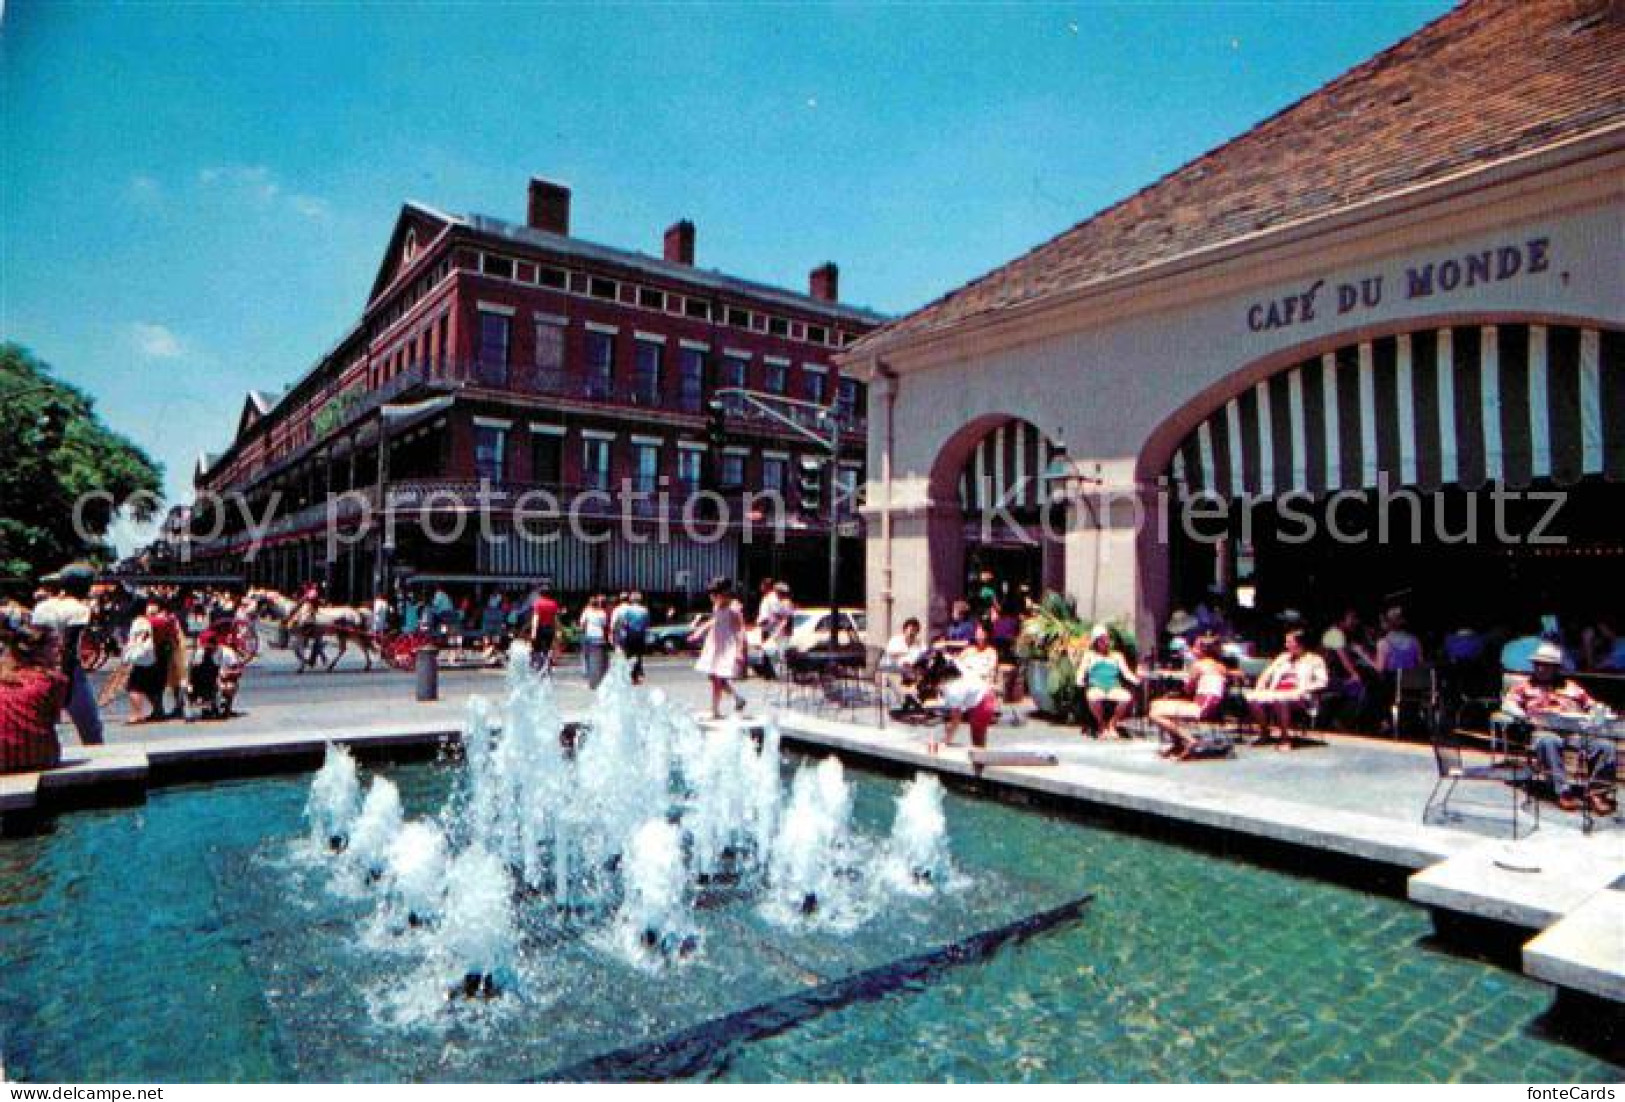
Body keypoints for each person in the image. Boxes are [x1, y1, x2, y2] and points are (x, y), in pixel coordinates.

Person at [1502, 642, 1616, 815]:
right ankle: (1563, 792)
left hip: (1574, 731)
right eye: (1537, 664)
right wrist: (1523, 715)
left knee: (1605, 746)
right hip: (1543, 730)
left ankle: (1597, 793)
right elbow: (1508, 704)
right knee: (1549, 741)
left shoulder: (1571, 687)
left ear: (1555, 668)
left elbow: (1592, 705)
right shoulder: (1524, 686)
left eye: (1546, 665)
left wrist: (1597, 712)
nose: (1540, 668)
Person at [31, 563, 104, 746]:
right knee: (90, 726)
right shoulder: (80, 609)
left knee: (46, 725)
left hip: (40, 667)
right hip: (69, 671)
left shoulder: (42, 607)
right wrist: (66, 681)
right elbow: (70, 646)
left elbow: (35, 639)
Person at [1244, 629, 1330, 750]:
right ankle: (1264, 732)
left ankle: (1285, 739)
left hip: (1300, 694)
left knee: (1282, 700)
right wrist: (1260, 685)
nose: (1286, 645)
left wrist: (1303, 689)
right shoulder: (1283, 657)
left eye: (1289, 642)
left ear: (1300, 643)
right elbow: (1267, 673)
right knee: (1252, 698)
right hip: (1277, 691)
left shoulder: (1315, 659)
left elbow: (1322, 682)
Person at [1148, 635, 1231, 761]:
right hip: (1213, 708)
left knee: (1155, 713)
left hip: (1200, 708)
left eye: (1195, 647)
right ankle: (1177, 744)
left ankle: (1189, 740)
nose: (1192, 650)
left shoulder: (1198, 665)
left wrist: (1179, 689)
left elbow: (1188, 689)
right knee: (1157, 704)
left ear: (1202, 650)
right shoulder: (1221, 667)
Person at [0, 621, 68, 773]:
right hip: (38, 756)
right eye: (54, 646)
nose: (59, 650)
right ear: (38, 651)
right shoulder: (52, 680)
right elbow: (53, 718)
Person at [933, 620, 1000, 752]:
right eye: (978, 632)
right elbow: (957, 663)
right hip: (971, 688)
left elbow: (990, 671)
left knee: (977, 737)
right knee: (977, 739)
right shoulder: (969, 650)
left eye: (982, 632)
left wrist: (945, 741)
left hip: (981, 689)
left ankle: (978, 755)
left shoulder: (991, 652)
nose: (979, 635)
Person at [691, 578, 748, 719]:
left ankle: (715, 710)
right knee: (713, 677)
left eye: (716, 594)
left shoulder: (733, 609)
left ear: (726, 593)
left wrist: (740, 651)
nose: (713, 597)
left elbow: (740, 630)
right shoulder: (717, 606)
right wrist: (700, 630)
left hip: (726, 646)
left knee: (717, 678)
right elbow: (714, 620)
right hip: (714, 644)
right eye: (712, 594)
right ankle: (737, 698)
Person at [1076, 624, 1139, 739]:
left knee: (1126, 698)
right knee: (1094, 697)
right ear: (1096, 642)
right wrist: (1079, 679)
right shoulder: (1089, 655)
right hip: (1096, 685)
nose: (1105, 642)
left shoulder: (1116, 656)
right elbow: (1081, 670)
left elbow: (1126, 672)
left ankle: (1112, 724)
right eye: (1101, 640)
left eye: (1106, 639)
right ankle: (1101, 724)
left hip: (1113, 686)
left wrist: (1135, 679)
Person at [187, 628, 244, 720]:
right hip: (205, 682)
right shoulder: (199, 653)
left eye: (208, 647)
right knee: (188, 687)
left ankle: (225, 708)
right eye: (204, 647)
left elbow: (239, 671)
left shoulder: (227, 653)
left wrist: (227, 673)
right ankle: (206, 706)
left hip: (222, 680)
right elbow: (193, 671)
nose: (206, 649)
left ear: (215, 644)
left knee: (229, 686)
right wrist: (190, 685)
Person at [122, 603, 164, 724]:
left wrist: (127, 656)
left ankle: (137, 714)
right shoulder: (146, 622)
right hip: (150, 657)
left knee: (133, 687)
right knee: (150, 686)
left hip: (139, 658)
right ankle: (158, 711)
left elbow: (136, 640)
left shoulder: (137, 622)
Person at [881, 617, 929, 713]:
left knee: (924, 673)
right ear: (905, 629)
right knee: (907, 671)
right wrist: (905, 654)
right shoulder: (896, 640)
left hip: (912, 670)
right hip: (893, 669)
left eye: (915, 630)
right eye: (911, 629)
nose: (912, 632)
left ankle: (911, 699)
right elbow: (890, 653)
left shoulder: (919, 643)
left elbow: (926, 654)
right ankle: (910, 699)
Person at [756, 581, 793, 679]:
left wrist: (771, 620)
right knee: (770, 651)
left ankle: (780, 674)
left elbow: (784, 616)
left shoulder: (781, 601)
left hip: (776, 630)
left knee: (776, 652)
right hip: (771, 629)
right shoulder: (769, 599)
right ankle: (773, 673)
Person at [611, 591, 651, 684]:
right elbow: (647, 623)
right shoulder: (644, 610)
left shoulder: (627, 610)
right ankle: (636, 676)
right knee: (638, 655)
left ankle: (628, 675)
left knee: (628, 655)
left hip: (629, 635)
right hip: (640, 635)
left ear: (631, 600)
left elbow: (623, 623)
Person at [1375, 607, 1424, 672]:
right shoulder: (1414, 640)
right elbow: (1421, 665)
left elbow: (1380, 670)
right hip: (1412, 680)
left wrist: (1365, 657)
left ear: (1385, 623)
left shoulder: (1383, 644)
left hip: (1394, 681)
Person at [579, 594, 610, 689]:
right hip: (600, 636)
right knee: (601, 658)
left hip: (589, 636)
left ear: (589, 603)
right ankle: (601, 678)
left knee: (586, 657)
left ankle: (589, 678)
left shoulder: (586, 612)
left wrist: (584, 631)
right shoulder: (602, 613)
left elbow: (582, 624)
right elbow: (605, 625)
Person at [528, 583, 560, 672]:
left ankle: (539, 666)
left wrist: (533, 631)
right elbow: (555, 619)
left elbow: (536, 618)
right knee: (547, 648)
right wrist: (557, 631)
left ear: (540, 593)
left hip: (540, 628)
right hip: (550, 629)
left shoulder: (537, 603)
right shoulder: (553, 603)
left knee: (537, 648)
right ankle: (547, 666)